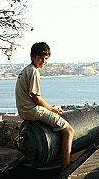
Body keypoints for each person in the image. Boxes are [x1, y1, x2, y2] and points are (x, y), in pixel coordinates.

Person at [15, 42, 75, 170]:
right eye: (40, 58)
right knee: (69, 131)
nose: (43, 61)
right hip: (32, 110)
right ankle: (66, 166)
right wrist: (52, 109)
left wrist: (49, 107)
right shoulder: (34, 72)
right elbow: (36, 97)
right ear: (33, 57)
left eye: (46, 58)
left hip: (24, 111)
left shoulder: (25, 70)